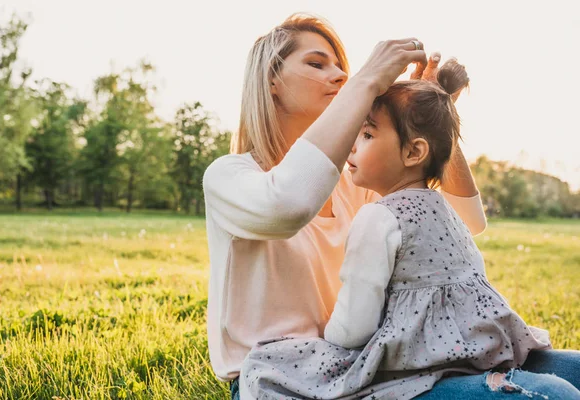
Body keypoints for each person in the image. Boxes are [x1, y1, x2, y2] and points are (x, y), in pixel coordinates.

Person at [202, 13, 580, 400]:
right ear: (271, 81)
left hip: (369, 360)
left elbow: (466, 220)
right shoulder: (229, 177)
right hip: (286, 378)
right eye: (317, 63)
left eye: (342, 68)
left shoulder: (356, 181)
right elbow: (287, 206)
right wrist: (366, 81)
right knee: (554, 394)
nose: (339, 76)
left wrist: (429, 118)